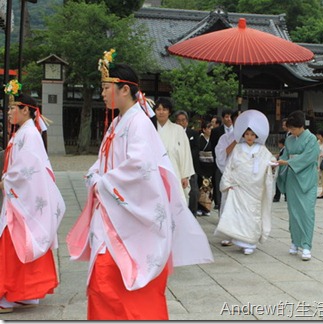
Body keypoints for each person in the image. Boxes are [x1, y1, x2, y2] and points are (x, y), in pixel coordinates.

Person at [66, 50, 213, 320]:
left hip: (130, 216)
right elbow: (104, 161)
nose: (102, 93)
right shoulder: (119, 122)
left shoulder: (138, 124)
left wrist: (103, 182)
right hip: (114, 212)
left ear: (124, 89)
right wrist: (95, 174)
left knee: (113, 279)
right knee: (102, 281)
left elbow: (139, 169)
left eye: (106, 88)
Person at [0, 80, 66, 313]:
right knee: (19, 243)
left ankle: (8, 295)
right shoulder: (25, 132)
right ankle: (25, 294)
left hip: (22, 199)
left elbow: (27, 167)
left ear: (25, 110)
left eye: (12, 108)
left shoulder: (29, 134)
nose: (8, 113)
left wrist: (7, 181)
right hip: (19, 197)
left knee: (11, 243)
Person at [214, 110, 276, 255]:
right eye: (247, 134)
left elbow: (269, 160)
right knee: (239, 214)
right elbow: (230, 166)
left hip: (254, 188)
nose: (249, 137)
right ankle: (241, 240)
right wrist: (227, 182)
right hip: (240, 186)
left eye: (252, 135)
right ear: (243, 135)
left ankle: (251, 242)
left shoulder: (262, 149)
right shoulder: (237, 148)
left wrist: (272, 164)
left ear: (256, 136)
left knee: (253, 214)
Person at [276, 110, 319, 261]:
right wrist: (279, 163)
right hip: (292, 179)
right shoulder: (289, 140)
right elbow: (285, 156)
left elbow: (309, 157)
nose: (291, 131)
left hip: (307, 179)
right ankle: (295, 241)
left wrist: (288, 162)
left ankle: (306, 245)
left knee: (306, 212)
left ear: (301, 126)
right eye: (289, 129)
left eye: (293, 128)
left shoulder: (311, 139)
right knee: (293, 212)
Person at [151, 98, 194, 202]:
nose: (161, 112)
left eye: (164, 109)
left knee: (175, 200)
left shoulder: (178, 129)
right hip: (154, 171)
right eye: (158, 109)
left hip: (174, 171)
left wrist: (185, 175)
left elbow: (185, 153)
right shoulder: (149, 128)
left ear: (169, 112)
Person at [174, 110, 200, 216]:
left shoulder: (193, 134)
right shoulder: (173, 133)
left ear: (187, 121)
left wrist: (186, 158)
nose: (181, 122)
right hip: (176, 166)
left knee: (193, 191)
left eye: (183, 120)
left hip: (190, 167)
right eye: (178, 120)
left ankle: (192, 213)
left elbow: (196, 149)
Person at [209, 109, 234, 210]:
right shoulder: (216, 131)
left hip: (233, 165)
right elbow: (214, 147)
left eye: (230, 117)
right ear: (223, 118)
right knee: (220, 184)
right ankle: (219, 204)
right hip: (220, 162)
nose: (229, 119)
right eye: (226, 117)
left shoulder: (239, 132)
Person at [197, 121, 215, 216]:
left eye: (211, 128)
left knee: (209, 189)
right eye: (209, 128)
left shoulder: (212, 139)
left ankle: (207, 209)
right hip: (202, 166)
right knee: (201, 187)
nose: (210, 130)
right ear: (204, 129)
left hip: (210, 166)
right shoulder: (200, 139)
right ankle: (200, 207)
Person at [272, 137, 285, 202]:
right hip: (280, 167)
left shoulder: (284, 150)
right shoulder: (282, 150)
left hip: (282, 168)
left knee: (279, 182)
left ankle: (277, 197)